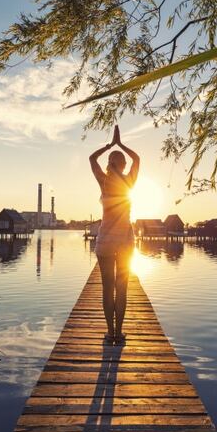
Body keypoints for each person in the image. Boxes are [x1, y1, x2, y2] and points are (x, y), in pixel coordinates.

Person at [89, 125, 140, 344]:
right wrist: (120, 144)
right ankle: (119, 333)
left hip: (105, 242)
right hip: (126, 241)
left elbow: (92, 158)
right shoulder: (129, 182)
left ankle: (110, 332)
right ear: (123, 165)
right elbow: (137, 158)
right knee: (122, 288)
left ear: (109, 164)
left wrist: (110, 145)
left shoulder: (104, 181)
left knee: (107, 288)